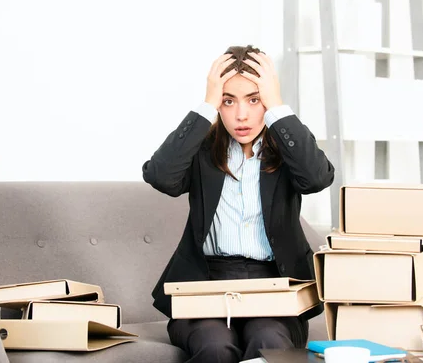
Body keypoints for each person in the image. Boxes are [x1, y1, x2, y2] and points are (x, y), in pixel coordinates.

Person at [142, 45, 335, 363]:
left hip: (274, 284)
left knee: (267, 340)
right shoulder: (203, 150)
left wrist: (277, 107)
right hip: (205, 284)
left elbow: (317, 178)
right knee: (216, 346)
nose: (240, 115)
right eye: (228, 101)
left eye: (254, 99)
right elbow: (160, 176)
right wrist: (207, 105)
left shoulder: (288, 146)